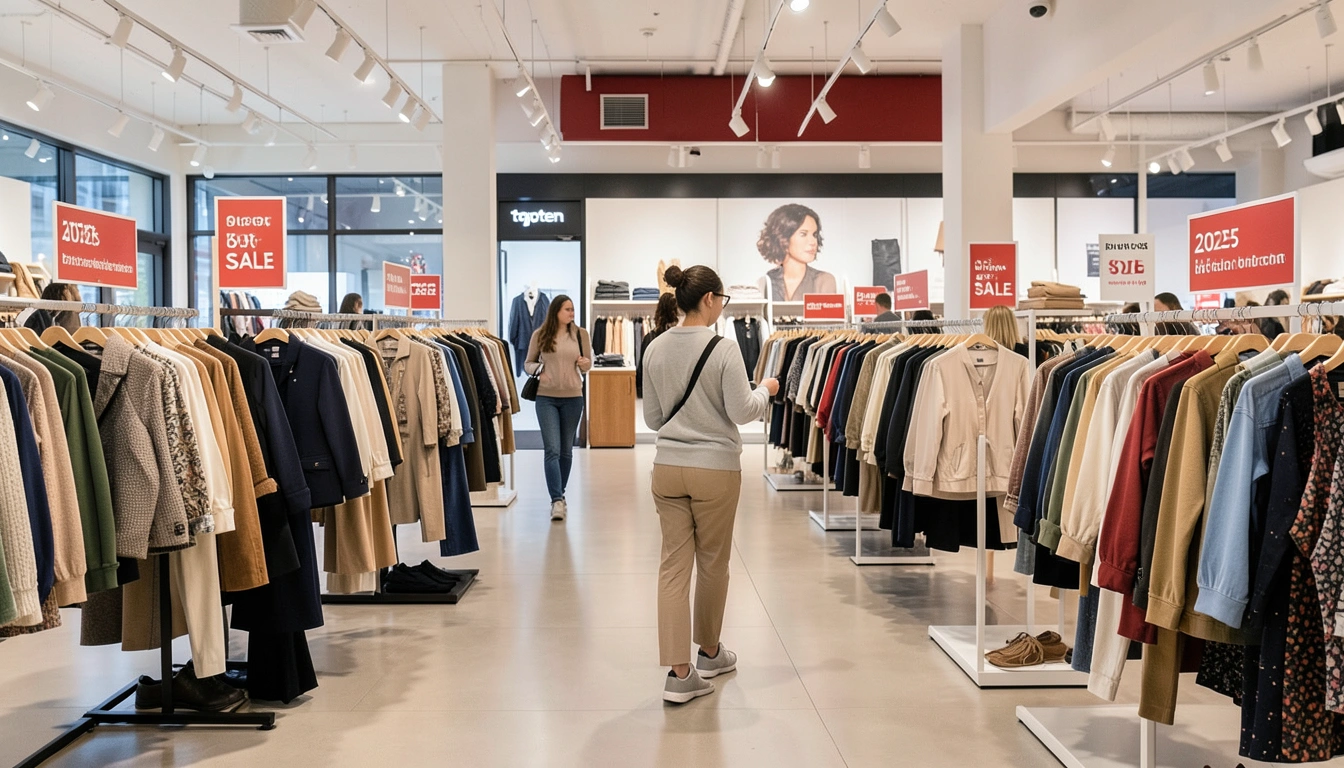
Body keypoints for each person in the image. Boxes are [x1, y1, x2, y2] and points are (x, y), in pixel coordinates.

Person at [642, 264, 778, 704]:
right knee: (714, 563)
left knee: (673, 567)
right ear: (709, 300)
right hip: (715, 469)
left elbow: (652, 418)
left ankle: (679, 675)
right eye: (723, 300)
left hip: (667, 467)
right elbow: (742, 410)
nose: (723, 307)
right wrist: (768, 390)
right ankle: (710, 651)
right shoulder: (724, 348)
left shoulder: (656, 347)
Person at [523, 295, 591, 522]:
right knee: (551, 449)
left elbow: (588, 363)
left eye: (572, 309)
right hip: (546, 398)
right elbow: (528, 363)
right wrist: (539, 370)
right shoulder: (540, 335)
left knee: (565, 451)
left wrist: (584, 364)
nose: (572, 313)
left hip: (573, 397)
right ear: (556, 311)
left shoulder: (581, 334)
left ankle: (559, 494)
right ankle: (556, 500)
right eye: (567, 309)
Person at [756, 203, 837, 301]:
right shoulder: (768, 280)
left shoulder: (823, 281)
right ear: (783, 238)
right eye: (803, 234)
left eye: (814, 235)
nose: (813, 242)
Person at [636, 293, 680, 398]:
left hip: (656, 394)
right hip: (679, 394)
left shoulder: (650, 338)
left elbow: (642, 370)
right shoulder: (684, 337)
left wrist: (641, 391)